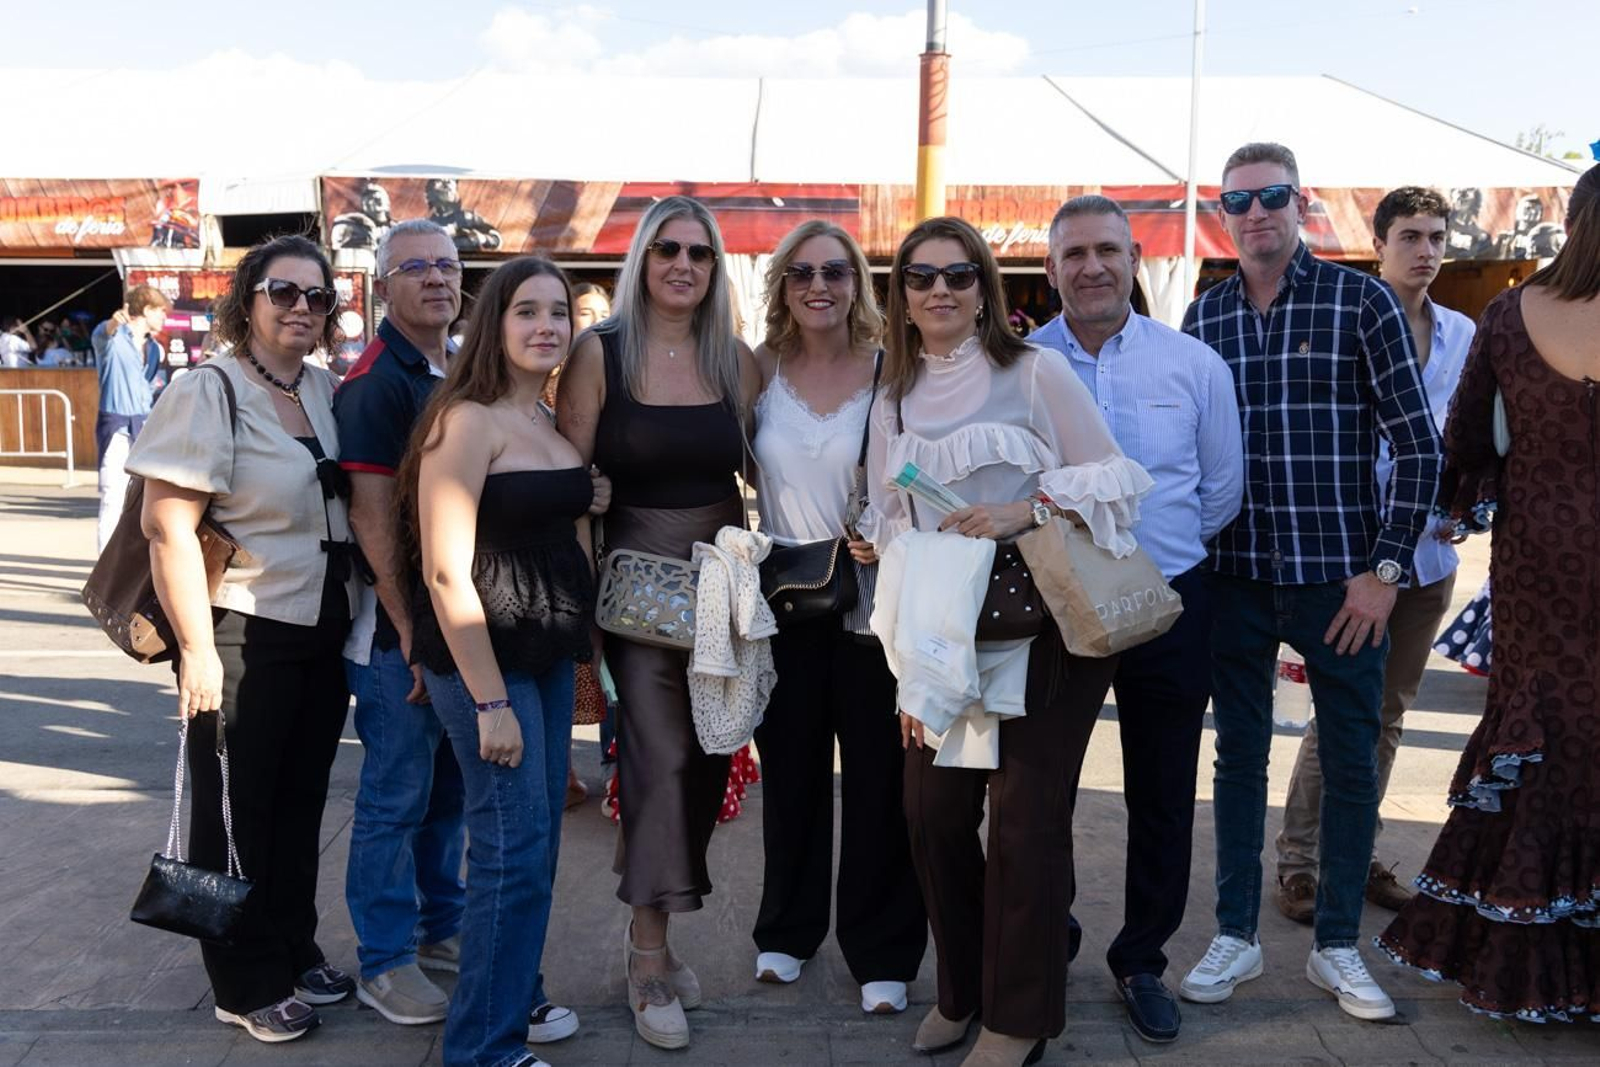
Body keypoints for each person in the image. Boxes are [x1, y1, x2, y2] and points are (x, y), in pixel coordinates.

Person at [861, 216, 1151, 1067]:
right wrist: (907, 663)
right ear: (903, 295)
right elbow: (891, 524)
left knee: (1026, 822)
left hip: (1044, 621)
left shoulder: (1035, 372)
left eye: (959, 274)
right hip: (942, 630)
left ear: (985, 285)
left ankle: (1019, 1015)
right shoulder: (892, 397)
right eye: (922, 277)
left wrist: (1025, 507)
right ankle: (962, 990)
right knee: (931, 812)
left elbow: (1114, 477)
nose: (941, 290)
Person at [1176, 143, 1442, 1022]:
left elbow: (1419, 442)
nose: (1256, 213)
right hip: (1238, 580)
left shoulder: (1359, 300)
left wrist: (1387, 570)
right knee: (1239, 759)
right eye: (1239, 200)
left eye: (1273, 196)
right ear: (1224, 212)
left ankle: (1336, 946)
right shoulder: (1204, 318)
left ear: (1302, 204)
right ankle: (1236, 937)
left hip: (1342, 582)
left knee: (1354, 760)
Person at [1378, 164, 1600, 1020]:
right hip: (1546, 569)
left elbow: (1464, 441)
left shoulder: (1508, 317)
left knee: (1542, 739)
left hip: (1541, 567)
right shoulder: (1499, 313)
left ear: (1574, 224)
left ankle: (1530, 961)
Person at [126, 234, 360, 1043]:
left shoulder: (326, 388)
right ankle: (242, 977)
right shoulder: (210, 388)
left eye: (317, 296)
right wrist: (195, 647)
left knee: (299, 803)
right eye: (282, 291)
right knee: (234, 811)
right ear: (247, 298)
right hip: (237, 629)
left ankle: (292, 943)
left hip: (321, 627)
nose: (301, 307)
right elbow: (168, 527)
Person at [1028, 195, 1244, 1044]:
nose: (1091, 267)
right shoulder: (1017, 365)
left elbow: (1219, 491)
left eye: (1107, 251)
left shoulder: (1192, 365)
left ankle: (1142, 957)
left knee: (1161, 790)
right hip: (1056, 609)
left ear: (1134, 261)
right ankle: (1051, 933)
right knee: (1041, 789)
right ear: (1050, 270)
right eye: (1073, 253)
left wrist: (1157, 555)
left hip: (1171, 605)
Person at [555, 195, 761, 1051]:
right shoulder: (598, 354)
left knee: (710, 762)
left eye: (700, 252)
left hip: (721, 596)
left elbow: (774, 468)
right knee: (661, 761)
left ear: (715, 268)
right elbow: (568, 480)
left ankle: (653, 911)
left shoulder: (738, 361)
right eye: (667, 249)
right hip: (634, 593)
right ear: (641, 258)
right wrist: (580, 605)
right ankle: (648, 954)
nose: (683, 264)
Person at [396, 256, 595, 1067]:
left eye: (559, 312)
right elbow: (446, 569)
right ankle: (480, 1047)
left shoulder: (543, 420)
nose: (546, 325)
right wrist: (488, 702)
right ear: (494, 323)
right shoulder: (466, 418)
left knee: (534, 850)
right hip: (487, 666)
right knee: (511, 853)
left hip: (543, 655)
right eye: (526, 311)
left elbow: (550, 515)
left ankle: (510, 1008)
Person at [1273, 187, 1475, 924]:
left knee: (1388, 714)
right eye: (1410, 236)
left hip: (1427, 558)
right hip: (1353, 555)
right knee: (1341, 711)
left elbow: (1475, 435)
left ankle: (1352, 855)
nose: (1426, 249)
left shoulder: (1462, 333)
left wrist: (1464, 501)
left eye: (1436, 236)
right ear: (1380, 245)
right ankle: (1299, 863)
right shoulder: (1345, 315)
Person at [747, 221, 927, 1013]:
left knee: (879, 776)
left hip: (869, 595)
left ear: (858, 282)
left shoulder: (894, 371)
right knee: (788, 773)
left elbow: (919, 472)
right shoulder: (756, 368)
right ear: (782, 285)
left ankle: (882, 947)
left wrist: (887, 526)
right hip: (782, 594)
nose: (818, 284)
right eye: (801, 272)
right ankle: (785, 932)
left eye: (835, 270)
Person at [332, 220, 470, 1029]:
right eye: (414, 267)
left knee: (445, 793)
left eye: (446, 266)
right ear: (383, 285)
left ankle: (440, 929)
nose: (435, 280)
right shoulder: (378, 382)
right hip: (399, 637)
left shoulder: (450, 367)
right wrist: (412, 631)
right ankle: (385, 960)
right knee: (395, 797)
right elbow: (373, 520)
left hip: (449, 625)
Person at [95, 285, 170, 552]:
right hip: (116, 425)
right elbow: (103, 334)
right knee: (112, 497)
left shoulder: (153, 349)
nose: (164, 318)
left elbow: (148, 386)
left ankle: (126, 569)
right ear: (147, 310)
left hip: (144, 426)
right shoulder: (113, 339)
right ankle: (104, 571)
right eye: (161, 312)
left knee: (140, 501)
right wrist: (114, 322)